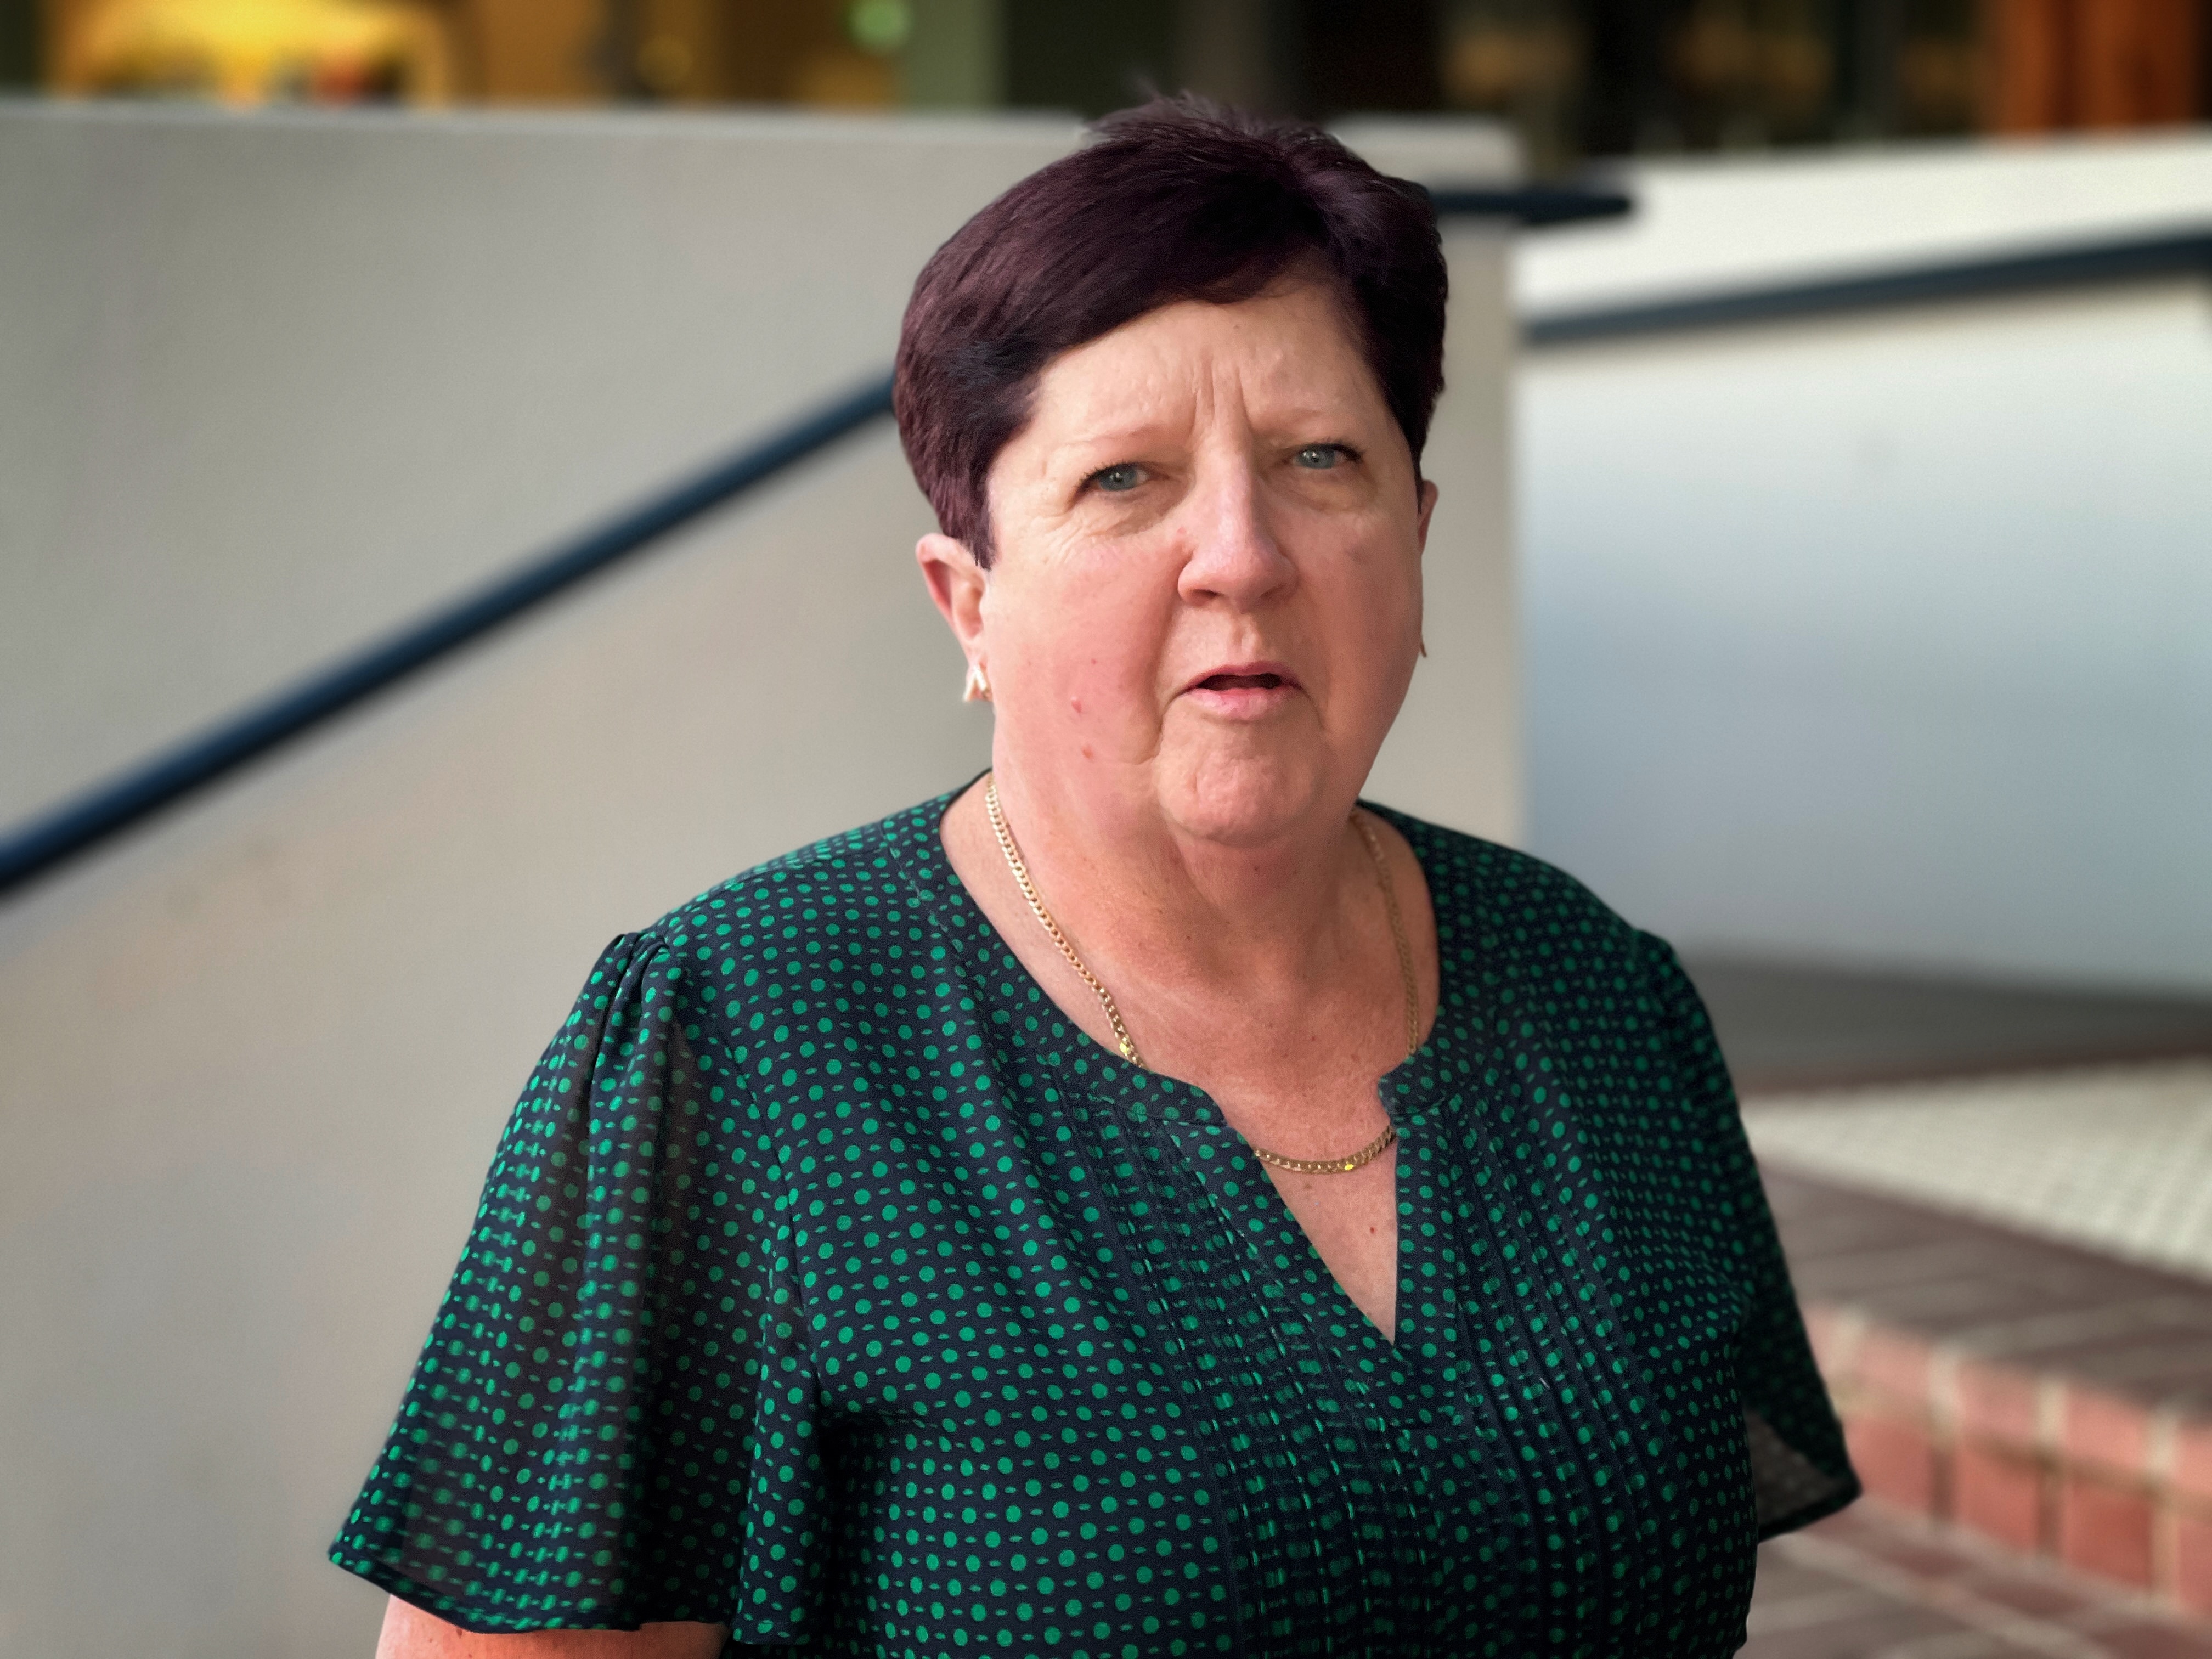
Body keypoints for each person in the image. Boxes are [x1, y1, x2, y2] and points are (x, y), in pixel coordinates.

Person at [338, 97, 1857, 1658]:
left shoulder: (1598, 991)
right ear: (968, 603)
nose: (1240, 554)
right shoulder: (741, 1038)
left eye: (1319, 457)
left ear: (1415, 537)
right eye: (1125, 480)